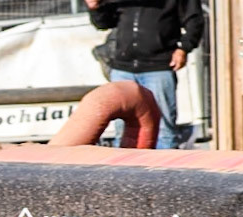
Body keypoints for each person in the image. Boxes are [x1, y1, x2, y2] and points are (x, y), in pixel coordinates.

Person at [86, 0, 205, 149]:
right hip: (123, 68)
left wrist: (184, 48)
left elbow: (195, 21)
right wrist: (95, 7)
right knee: (122, 128)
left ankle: (164, 169)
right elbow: (104, 23)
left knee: (163, 128)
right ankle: (123, 168)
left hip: (159, 67)